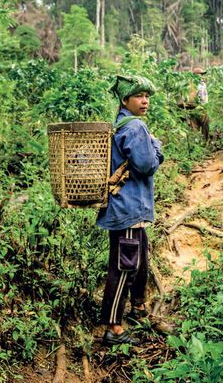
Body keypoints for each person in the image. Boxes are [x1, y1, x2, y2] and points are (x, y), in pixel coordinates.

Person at [97, 75, 164, 346]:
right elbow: (148, 164)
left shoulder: (125, 124)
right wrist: (157, 147)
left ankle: (138, 308)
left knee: (140, 261)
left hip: (131, 209)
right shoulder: (135, 127)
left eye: (147, 95)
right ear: (125, 100)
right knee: (124, 266)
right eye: (139, 96)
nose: (145, 101)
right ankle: (113, 327)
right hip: (129, 208)